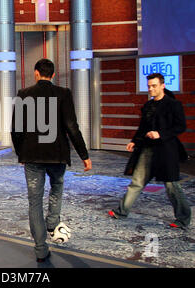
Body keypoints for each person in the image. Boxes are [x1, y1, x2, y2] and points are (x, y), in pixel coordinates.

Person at [11, 58, 92, 263]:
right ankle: (52, 221)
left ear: (36, 73)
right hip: (57, 155)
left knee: (34, 202)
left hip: (32, 156)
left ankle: (40, 249)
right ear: (53, 75)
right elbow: (72, 126)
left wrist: (21, 153)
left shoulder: (23, 94)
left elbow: (16, 130)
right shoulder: (63, 94)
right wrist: (84, 155)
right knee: (57, 186)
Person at [108, 73, 191, 229]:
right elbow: (143, 128)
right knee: (137, 182)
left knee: (171, 186)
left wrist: (160, 134)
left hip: (166, 151)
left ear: (162, 85)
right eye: (149, 86)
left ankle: (183, 218)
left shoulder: (173, 105)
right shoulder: (148, 106)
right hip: (147, 150)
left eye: (154, 86)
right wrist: (134, 141)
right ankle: (121, 211)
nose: (151, 89)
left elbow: (181, 126)